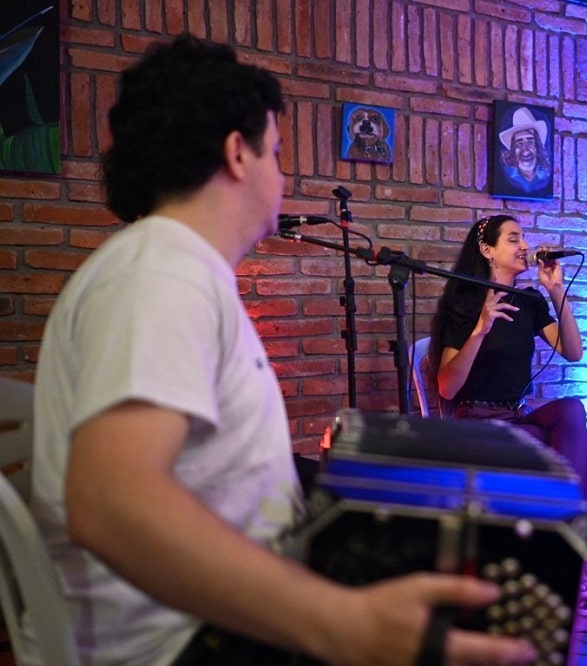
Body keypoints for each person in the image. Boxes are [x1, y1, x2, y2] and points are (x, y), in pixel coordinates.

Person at [30, 34, 536, 666]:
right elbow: (109, 503)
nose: (284, 175)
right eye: (276, 151)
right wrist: (338, 622)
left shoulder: (172, 269)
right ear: (237, 154)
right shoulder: (158, 273)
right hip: (184, 642)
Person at [428, 214, 587, 616]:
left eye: (524, 237)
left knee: (573, 410)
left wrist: (556, 290)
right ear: (487, 250)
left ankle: (560, 536)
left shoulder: (529, 300)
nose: (525, 245)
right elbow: (446, 388)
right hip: (477, 423)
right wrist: (480, 329)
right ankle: (569, 561)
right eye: (514, 238)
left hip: (517, 417)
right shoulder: (464, 303)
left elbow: (573, 351)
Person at [498, 107, 552, 193]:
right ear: (513, 150)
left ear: (538, 146)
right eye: (519, 144)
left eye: (530, 142)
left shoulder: (545, 174)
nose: (525, 150)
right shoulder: (507, 174)